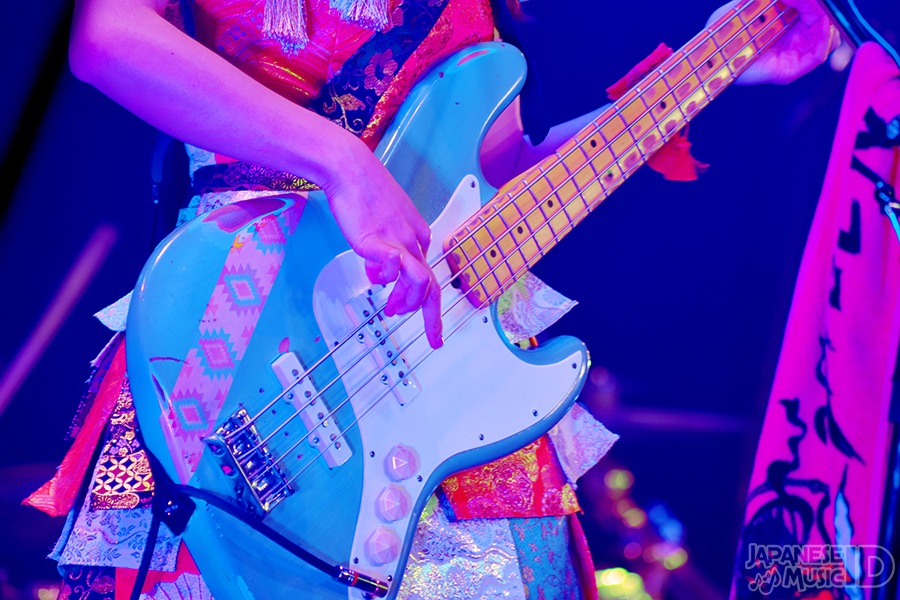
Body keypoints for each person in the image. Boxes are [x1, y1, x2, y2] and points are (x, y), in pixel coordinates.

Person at [27, 0, 839, 598]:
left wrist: (710, 69)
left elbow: (488, 178)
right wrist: (342, 162)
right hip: (247, 336)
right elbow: (109, 37)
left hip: (444, 376)